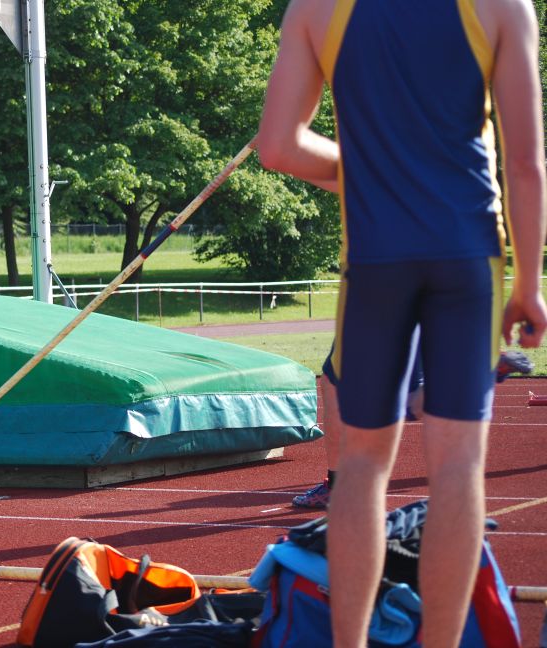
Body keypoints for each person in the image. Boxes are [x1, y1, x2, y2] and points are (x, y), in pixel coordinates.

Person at [256, 1, 547, 646]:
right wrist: (529, 285)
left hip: (375, 260)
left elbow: (276, 147)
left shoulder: (315, 8)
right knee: (458, 465)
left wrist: (375, 173)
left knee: (361, 466)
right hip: (468, 256)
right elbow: (526, 163)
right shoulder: (504, 6)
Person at [293, 344, 532, 509]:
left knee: (339, 385)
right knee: (342, 382)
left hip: (380, 290)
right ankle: (478, 368)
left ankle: (338, 487)